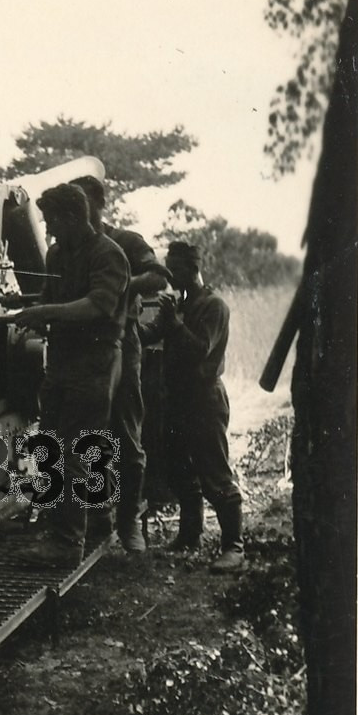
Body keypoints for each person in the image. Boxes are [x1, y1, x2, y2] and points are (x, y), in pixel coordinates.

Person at [14, 183, 130, 570]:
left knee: (74, 448)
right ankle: (95, 519)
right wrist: (34, 312)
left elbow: (98, 306)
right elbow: (49, 296)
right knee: (53, 443)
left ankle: (66, 542)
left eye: (52, 221)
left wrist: (46, 313)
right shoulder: (57, 254)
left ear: (72, 218)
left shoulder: (108, 255)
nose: (47, 229)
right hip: (62, 361)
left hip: (94, 362)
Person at [70, 175, 171, 552]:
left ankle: (129, 523)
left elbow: (158, 278)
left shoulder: (125, 241)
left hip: (121, 342)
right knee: (85, 435)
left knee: (126, 433)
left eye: (85, 202)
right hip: (80, 347)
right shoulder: (70, 248)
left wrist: (119, 286)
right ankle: (98, 516)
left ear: (99, 204)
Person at [139, 241, 245, 572]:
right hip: (178, 399)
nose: (170, 276)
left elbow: (200, 349)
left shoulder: (214, 306)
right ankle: (189, 536)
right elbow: (151, 333)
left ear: (193, 269)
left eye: (175, 269)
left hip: (204, 400)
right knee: (179, 471)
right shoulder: (180, 305)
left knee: (215, 474)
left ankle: (235, 548)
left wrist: (173, 322)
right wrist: (128, 322)